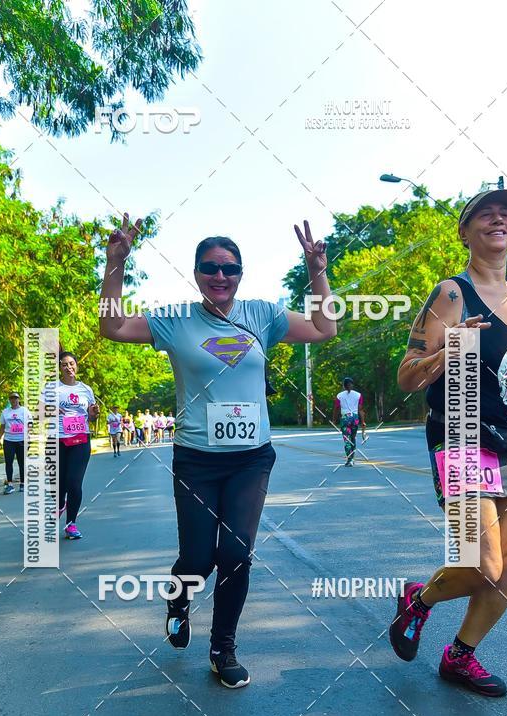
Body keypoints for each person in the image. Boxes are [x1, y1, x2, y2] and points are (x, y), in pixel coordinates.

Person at [100, 214, 336, 687]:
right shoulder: (174, 320)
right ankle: (178, 597)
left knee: (235, 554)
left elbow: (324, 329)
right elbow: (113, 328)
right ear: (197, 273)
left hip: (251, 458)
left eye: (229, 268)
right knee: (196, 560)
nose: (220, 276)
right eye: (210, 267)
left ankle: (222, 648)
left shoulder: (263, 315)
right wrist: (114, 263)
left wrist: (316, 270)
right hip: (196, 459)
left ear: (241, 273)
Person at [390, 188, 507, 697]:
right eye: (486, 213)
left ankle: (460, 656)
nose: (499, 218)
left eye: (506, 214)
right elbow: (406, 377)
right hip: (460, 436)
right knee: (483, 564)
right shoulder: (451, 294)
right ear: (465, 231)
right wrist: (450, 348)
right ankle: (419, 599)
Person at [54, 351, 99, 539]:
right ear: (60, 368)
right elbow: (39, 411)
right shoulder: (52, 388)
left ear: (76, 365)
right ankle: (59, 503)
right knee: (59, 482)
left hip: (81, 439)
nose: (68, 367)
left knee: (74, 482)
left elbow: (92, 416)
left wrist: (94, 414)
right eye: (64, 364)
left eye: (71, 363)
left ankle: (71, 523)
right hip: (58, 439)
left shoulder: (86, 389)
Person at [0, 392, 31, 494]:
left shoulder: (24, 411)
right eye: (11, 398)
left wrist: (28, 436)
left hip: (22, 440)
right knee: (8, 462)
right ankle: (10, 485)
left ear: (18, 399)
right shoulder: (5, 412)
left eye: (15, 398)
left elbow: (30, 425)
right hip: (9, 440)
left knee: (22, 463)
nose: (14, 400)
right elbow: (2, 426)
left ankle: (23, 484)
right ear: (9, 400)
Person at [333, 376, 366, 465]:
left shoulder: (339, 396)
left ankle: (349, 459)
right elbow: (360, 410)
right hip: (355, 419)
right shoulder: (358, 395)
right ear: (352, 385)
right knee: (353, 438)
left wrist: (334, 420)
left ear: (344, 386)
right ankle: (352, 458)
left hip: (345, 419)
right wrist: (363, 421)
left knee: (347, 439)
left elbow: (336, 408)